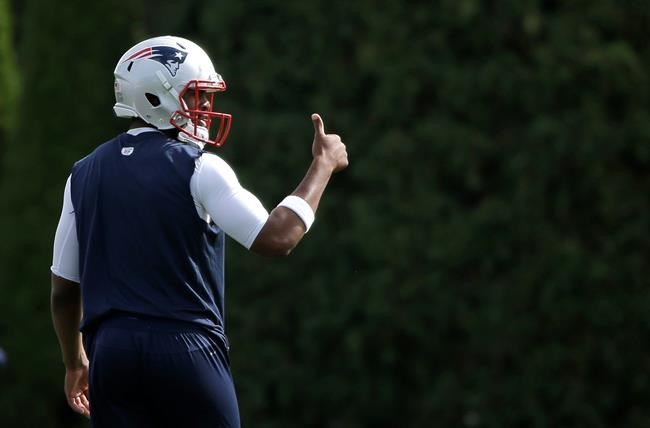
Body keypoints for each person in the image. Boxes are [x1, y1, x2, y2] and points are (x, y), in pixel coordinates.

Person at [50, 35, 348, 427]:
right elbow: (277, 238)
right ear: (154, 96)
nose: (206, 109)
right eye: (196, 97)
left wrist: (75, 362)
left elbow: (63, 289)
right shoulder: (198, 166)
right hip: (185, 348)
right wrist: (322, 166)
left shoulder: (83, 173)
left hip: (111, 352)